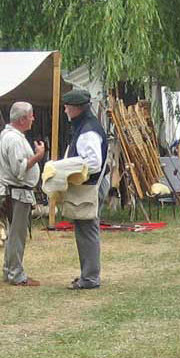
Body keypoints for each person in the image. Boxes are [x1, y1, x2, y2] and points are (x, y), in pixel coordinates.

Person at [61, 89, 107, 290]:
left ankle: (90, 278)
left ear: (76, 109)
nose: (65, 110)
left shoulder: (88, 131)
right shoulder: (86, 126)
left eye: (67, 107)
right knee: (84, 230)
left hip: (88, 187)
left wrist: (66, 169)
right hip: (87, 186)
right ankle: (87, 274)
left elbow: (94, 163)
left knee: (87, 231)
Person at [0, 102, 46, 286]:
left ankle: (10, 270)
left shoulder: (9, 136)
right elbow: (20, 169)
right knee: (17, 236)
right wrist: (38, 156)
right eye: (31, 115)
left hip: (15, 193)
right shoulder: (15, 139)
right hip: (17, 193)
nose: (33, 119)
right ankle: (16, 274)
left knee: (14, 235)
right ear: (23, 118)